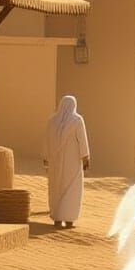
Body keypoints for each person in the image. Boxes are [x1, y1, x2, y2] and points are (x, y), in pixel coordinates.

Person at [45, 96, 90, 228]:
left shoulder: (52, 121)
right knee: (72, 188)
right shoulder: (77, 120)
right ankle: (69, 219)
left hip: (55, 163)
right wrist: (86, 157)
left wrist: (46, 158)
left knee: (56, 187)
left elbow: (46, 141)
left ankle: (57, 218)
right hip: (73, 162)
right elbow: (82, 140)